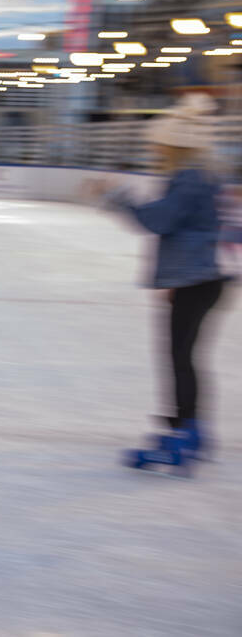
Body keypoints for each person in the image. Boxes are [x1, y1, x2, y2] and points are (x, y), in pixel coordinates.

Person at [100, 92, 229, 473]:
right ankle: (189, 430)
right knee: (183, 357)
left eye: (159, 145)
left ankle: (184, 434)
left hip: (198, 280)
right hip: (198, 279)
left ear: (174, 145)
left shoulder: (189, 178)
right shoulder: (200, 175)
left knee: (180, 358)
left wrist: (117, 196)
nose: (155, 151)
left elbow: (158, 221)